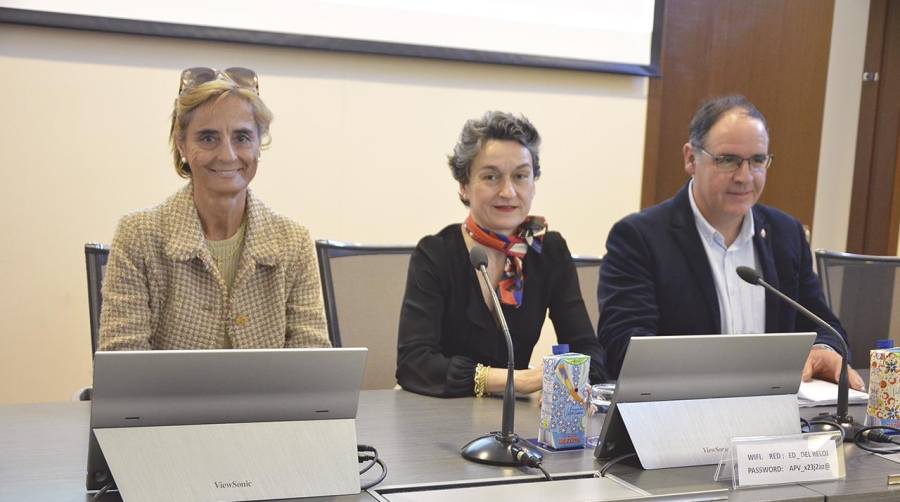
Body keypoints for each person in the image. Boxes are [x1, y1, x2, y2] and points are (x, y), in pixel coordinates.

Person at [597, 95, 864, 390]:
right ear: (690, 158)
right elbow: (625, 348)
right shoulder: (639, 238)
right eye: (728, 160)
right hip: (678, 413)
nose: (744, 176)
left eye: (758, 161)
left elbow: (825, 328)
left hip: (775, 414)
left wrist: (823, 350)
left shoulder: (785, 234)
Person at [99, 67, 330, 350]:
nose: (227, 155)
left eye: (242, 137)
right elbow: (124, 368)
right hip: (170, 396)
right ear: (182, 143)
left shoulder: (293, 242)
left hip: (269, 397)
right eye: (208, 138)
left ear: (259, 144)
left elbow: (313, 367)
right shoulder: (138, 236)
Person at [396, 111, 607, 397]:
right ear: (464, 185)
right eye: (491, 177)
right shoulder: (436, 253)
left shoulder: (549, 250)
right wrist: (513, 381)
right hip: (438, 413)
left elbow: (589, 352)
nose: (508, 192)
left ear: (534, 183)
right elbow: (414, 364)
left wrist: (563, 379)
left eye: (520, 176)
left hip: (517, 420)